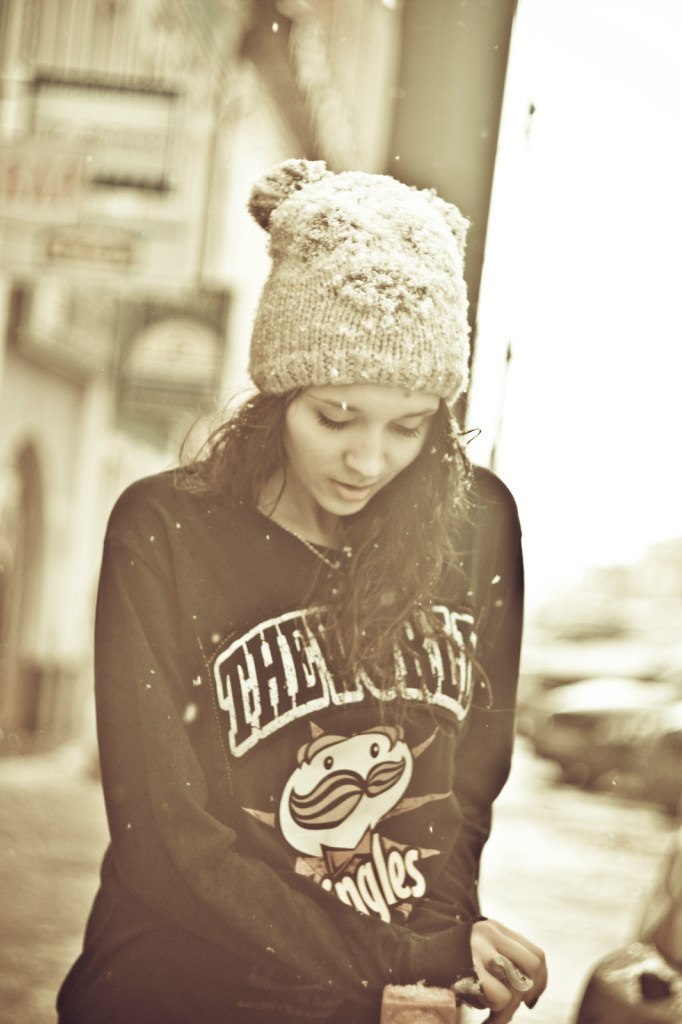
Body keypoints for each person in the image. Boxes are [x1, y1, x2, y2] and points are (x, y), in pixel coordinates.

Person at [57, 159, 547, 1024]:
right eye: (335, 416)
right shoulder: (168, 530)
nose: (369, 459)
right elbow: (164, 838)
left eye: (409, 425)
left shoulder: (476, 526)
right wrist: (391, 966)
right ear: (281, 391)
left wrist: (440, 960)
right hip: (181, 993)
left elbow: (469, 783)